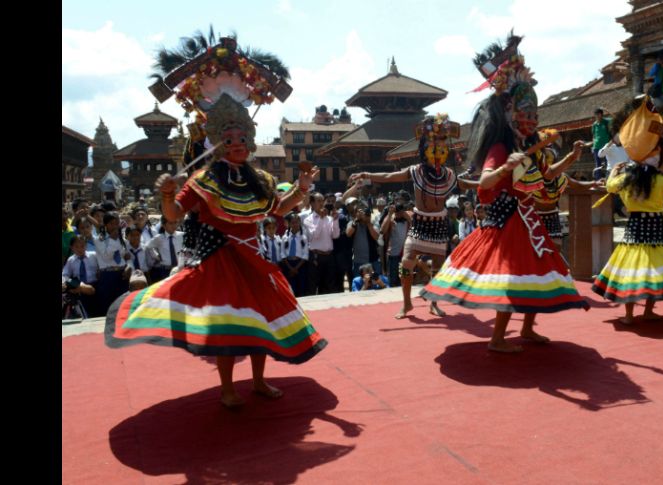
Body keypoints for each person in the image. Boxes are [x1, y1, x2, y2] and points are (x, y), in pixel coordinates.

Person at [105, 31, 326, 409]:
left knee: (261, 322)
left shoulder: (260, 178)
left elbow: (279, 208)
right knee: (229, 326)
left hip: (254, 259)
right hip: (221, 261)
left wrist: (302, 188)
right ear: (219, 142)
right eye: (230, 138)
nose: (237, 142)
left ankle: (258, 381)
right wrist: (165, 194)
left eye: (242, 137)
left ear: (250, 139)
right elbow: (173, 216)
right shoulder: (204, 179)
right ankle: (227, 388)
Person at [419, 31, 589, 352]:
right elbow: (485, 182)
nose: (533, 120)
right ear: (511, 113)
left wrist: (572, 158)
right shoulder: (501, 147)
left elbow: (548, 174)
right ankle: (497, 338)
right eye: (527, 114)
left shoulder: (530, 148)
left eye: (535, 115)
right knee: (512, 278)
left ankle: (527, 328)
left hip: (528, 220)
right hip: (507, 221)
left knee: (534, 273)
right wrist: (505, 167)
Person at [350, 113, 479, 319]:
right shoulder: (416, 171)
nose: (437, 149)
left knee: (438, 267)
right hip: (419, 222)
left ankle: (434, 303)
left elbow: (465, 184)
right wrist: (367, 175)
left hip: (438, 223)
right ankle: (407, 303)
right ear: (425, 148)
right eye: (433, 144)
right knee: (406, 263)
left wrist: (486, 182)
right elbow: (389, 176)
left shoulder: (448, 175)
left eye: (441, 144)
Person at [592, 97, 663, 323]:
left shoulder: (626, 178)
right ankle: (646, 311)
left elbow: (610, 186)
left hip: (635, 230)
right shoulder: (662, 180)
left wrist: (614, 170)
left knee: (632, 271)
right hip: (655, 231)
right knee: (655, 271)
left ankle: (630, 315)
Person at [280, 213, 309, 296]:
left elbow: (305, 254)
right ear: (289, 224)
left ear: (299, 223)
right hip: (288, 264)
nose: (295, 224)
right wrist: (290, 268)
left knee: (301, 286)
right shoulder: (285, 237)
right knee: (291, 287)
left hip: (300, 264)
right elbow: (283, 253)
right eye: (293, 222)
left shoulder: (303, 237)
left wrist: (296, 268)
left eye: (297, 222)